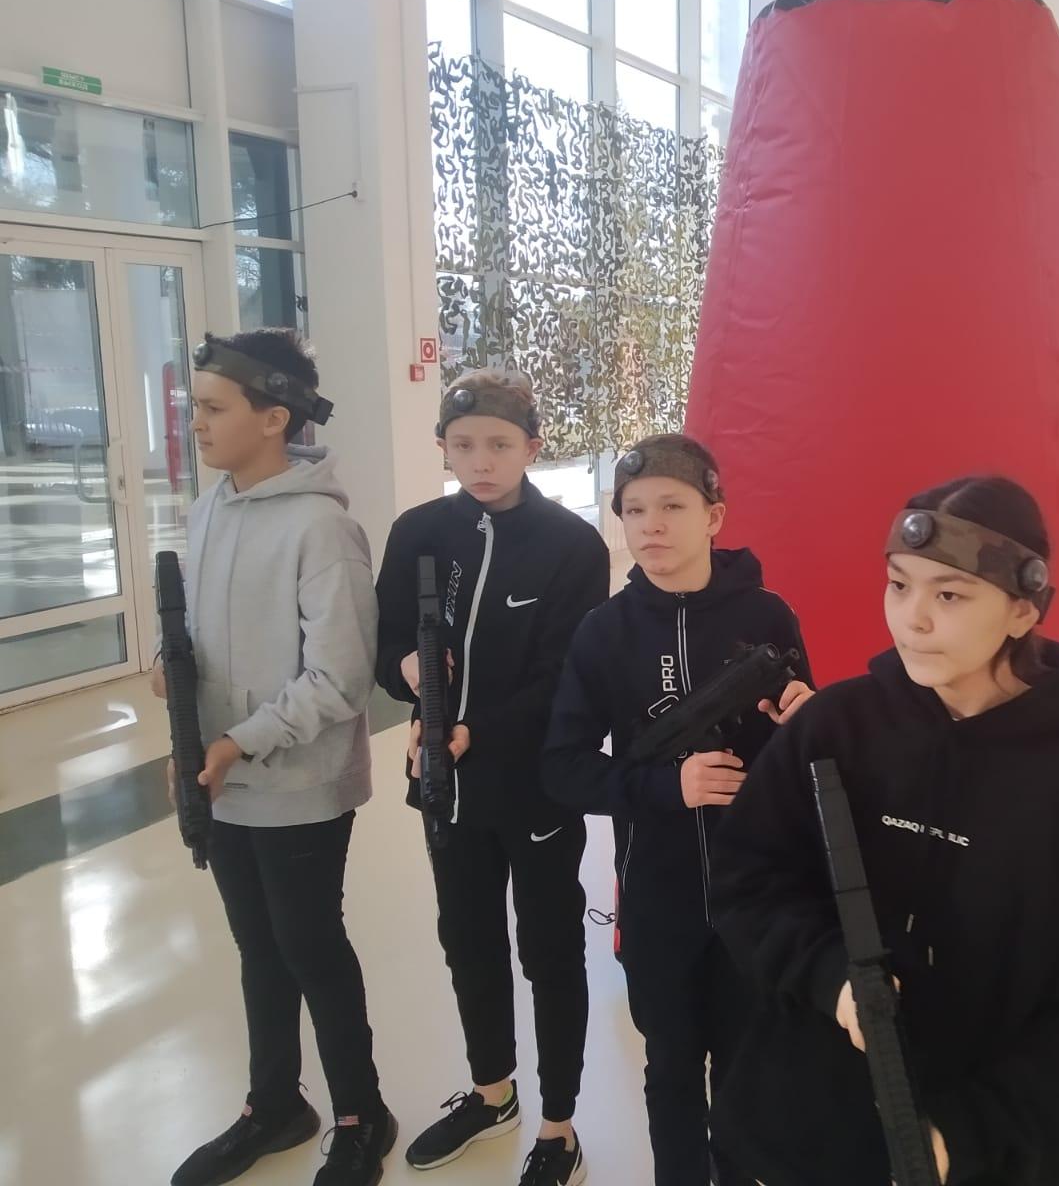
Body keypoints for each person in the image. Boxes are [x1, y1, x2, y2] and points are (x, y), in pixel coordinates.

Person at [708, 475, 1059, 1186]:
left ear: (1022, 609)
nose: (911, 619)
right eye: (899, 585)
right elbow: (746, 882)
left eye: (949, 595)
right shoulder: (833, 728)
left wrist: (967, 1140)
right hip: (799, 1138)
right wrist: (833, 979)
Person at [542, 434, 814, 1186]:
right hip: (658, 899)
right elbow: (564, 769)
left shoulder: (768, 615)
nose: (651, 525)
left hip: (757, 895)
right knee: (670, 1073)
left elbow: (807, 761)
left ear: (714, 516)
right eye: (634, 511)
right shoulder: (604, 631)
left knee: (748, 1074)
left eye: (671, 506)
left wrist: (806, 724)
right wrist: (669, 787)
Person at [156, 329, 394, 1186]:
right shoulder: (210, 508)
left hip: (299, 785)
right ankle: (275, 1105)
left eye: (213, 408)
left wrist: (237, 741)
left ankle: (362, 1115)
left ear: (274, 418)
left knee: (310, 949)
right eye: (196, 407)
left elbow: (340, 679)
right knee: (258, 949)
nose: (196, 423)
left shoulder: (322, 528)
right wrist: (183, 703)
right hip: (224, 778)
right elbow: (204, 635)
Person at [373, 369, 609, 1185]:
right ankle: (492, 1093)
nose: (481, 461)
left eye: (500, 445)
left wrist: (477, 729)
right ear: (443, 446)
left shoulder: (572, 546)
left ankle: (558, 1126)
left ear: (532, 448)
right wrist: (407, 671)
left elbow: (565, 677)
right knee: (468, 942)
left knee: (550, 951)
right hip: (445, 785)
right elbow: (385, 643)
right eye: (464, 444)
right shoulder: (417, 532)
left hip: (536, 786)